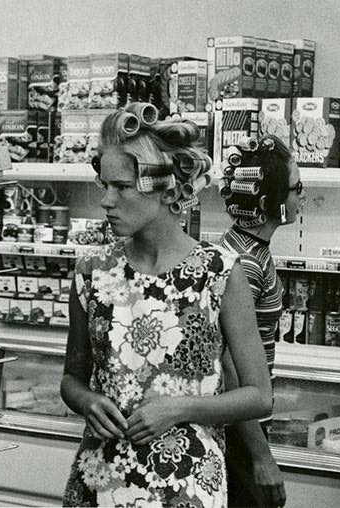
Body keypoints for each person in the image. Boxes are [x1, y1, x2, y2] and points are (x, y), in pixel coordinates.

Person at [60, 102, 272, 507]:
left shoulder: (219, 273)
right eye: (104, 185)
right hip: (101, 481)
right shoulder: (91, 272)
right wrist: (87, 401)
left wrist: (178, 409)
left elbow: (259, 395)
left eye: (121, 187)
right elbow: (72, 379)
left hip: (187, 485)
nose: (106, 200)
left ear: (167, 190)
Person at [219, 135, 306, 508]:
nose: (303, 196)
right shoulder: (247, 265)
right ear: (272, 202)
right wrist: (260, 455)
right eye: (297, 188)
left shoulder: (244, 248)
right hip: (239, 427)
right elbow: (231, 370)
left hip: (242, 421)